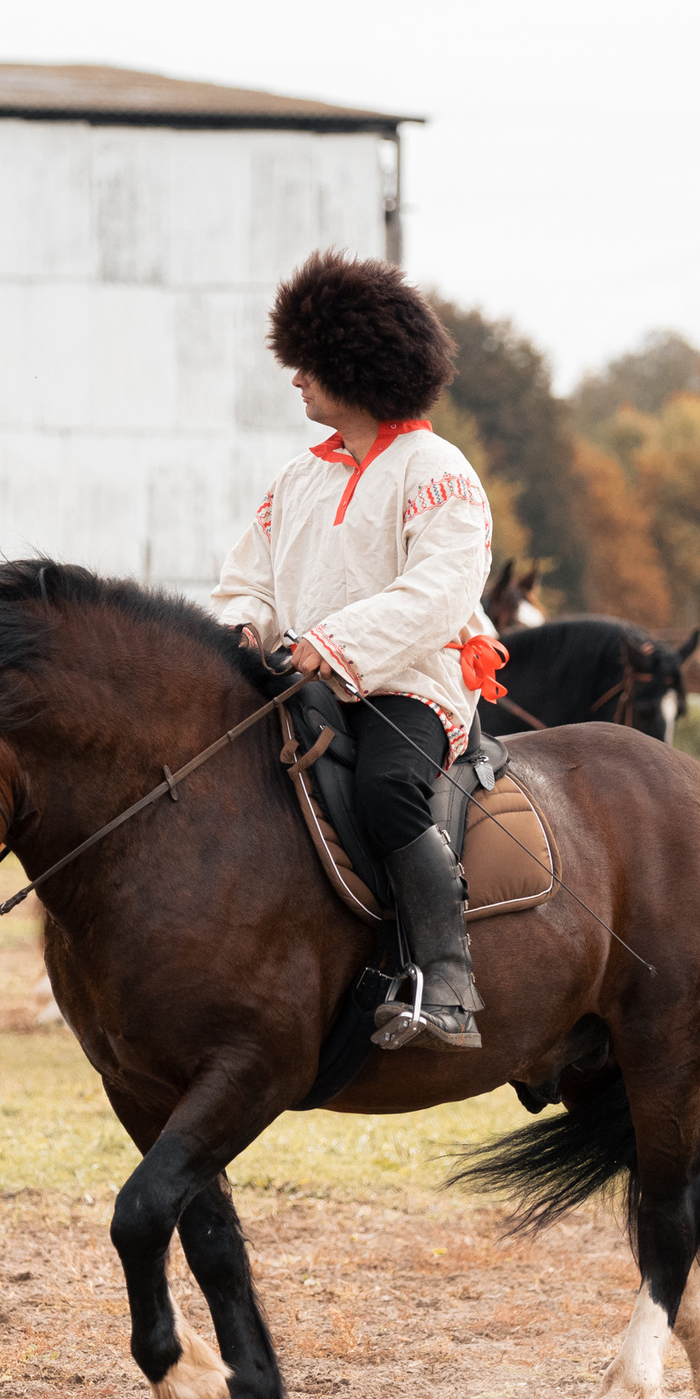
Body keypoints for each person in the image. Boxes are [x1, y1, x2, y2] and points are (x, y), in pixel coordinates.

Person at [208, 253, 504, 1052]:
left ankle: (446, 982)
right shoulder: (298, 478)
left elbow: (439, 594)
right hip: (304, 679)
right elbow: (250, 578)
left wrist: (331, 645)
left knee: (383, 790)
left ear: (354, 363)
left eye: (309, 364)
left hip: (412, 684)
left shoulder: (437, 471)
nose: (296, 380)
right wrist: (245, 625)